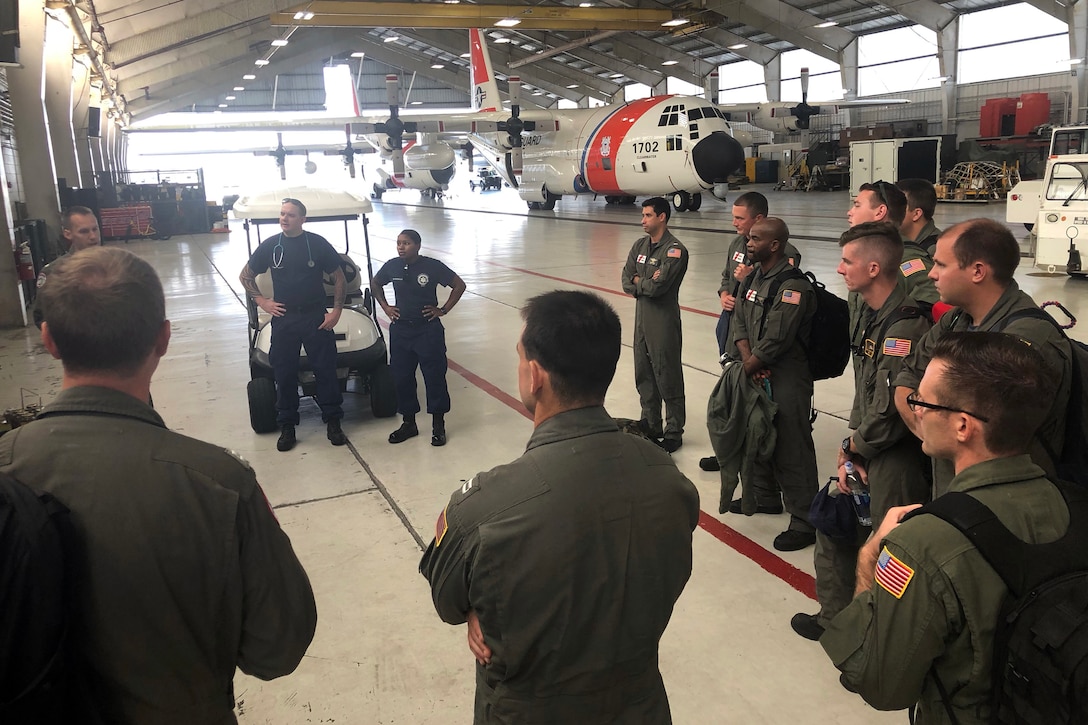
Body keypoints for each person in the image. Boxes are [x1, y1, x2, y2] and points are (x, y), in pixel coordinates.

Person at [1, 247, 317, 723]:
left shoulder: (8, 466)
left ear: (48, 339)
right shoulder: (217, 483)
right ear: (164, 338)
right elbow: (277, 648)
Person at [419, 290, 700, 724]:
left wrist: (480, 607)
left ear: (535, 376)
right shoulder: (669, 481)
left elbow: (447, 601)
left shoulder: (484, 509)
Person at [821, 332, 1068, 723]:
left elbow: (880, 684)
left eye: (922, 402)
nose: (915, 411)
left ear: (963, 427)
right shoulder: (1070, 503)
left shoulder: (923, 543)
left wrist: (870, 561)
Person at [791, 222, 931, 641]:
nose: (839, 269)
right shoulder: (872, 317)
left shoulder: (904, 326)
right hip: (867, 444)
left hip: (894, 456)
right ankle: (837, 620)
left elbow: (891, 409)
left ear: (873, 268)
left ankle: (879, 637)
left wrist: (855, 446)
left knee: (888, 551)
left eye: (848, 261)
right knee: (834, 527)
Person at [893, 218, 1071, 493]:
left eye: (941, 264)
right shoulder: (955, 320)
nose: (931, 274)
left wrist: (933, 429)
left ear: (977, 271)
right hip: (956, 491)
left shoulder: (1028, 342)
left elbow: (984, 440)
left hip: (1001, 504)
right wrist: (932, 430)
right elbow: (906, 376)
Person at [730, 217, 819, 551]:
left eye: (754, 239)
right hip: (757, 368)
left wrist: (752, 364)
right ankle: (765, 496)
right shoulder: (753, 277)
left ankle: (805, 519)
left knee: (791, 444)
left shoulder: (793, 286)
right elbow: (739, 320)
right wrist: (748, 361)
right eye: (748, 238)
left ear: (775, 245)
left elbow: (778, 338)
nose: (748, 244)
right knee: (756, 433)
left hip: (787, 376)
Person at [701, 192, 801, 473]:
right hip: (734, 326)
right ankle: (728, 451)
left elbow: (780, 289)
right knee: (732, 392)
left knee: (758, 402)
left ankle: (758, 461)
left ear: (758, 219)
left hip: (758, 336)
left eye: (739, 218)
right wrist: (724, 293)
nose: (734, 223)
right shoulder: (736, 243)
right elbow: (725, 276)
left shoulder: (785, 253)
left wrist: (751, 277)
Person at [239, 197, 347, 452]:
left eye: (290, 214)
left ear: (302, 219)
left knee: (326, 369)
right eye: (282, 214)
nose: (284, 218)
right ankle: (287, 424)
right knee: (284, 373)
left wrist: (337, 312)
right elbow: (245, 275)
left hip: (315, 317)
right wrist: (262, 301)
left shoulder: (317, 244)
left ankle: (333, 420)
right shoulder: (271, 246)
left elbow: (339, 278)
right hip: (284, 318)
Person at [371, 229, 467, 446]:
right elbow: (376, 283)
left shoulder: (432, 266)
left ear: (417, 245)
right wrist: (386, 307)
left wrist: (443, 309)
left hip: (427, 330)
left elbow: (459, 285)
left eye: (406, 243)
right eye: (398, 243)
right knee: (402, 377)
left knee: (434, 377)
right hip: (401, 331)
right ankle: (409, 423)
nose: (401, 247)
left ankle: (438, 425)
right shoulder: (392, 266)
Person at [621, 196, 689, 452]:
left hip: (662, 319)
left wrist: (641, 282)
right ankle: (651, 423)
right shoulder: (640, 246)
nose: (643, 221)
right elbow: (626, 279)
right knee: (644, 373)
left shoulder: (675, 250)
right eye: (643, 215)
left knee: (667, 373)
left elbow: (659, 288)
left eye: (648, 215)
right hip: (641, 320)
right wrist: (641, 282)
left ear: (662, 217)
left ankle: (674, 431)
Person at [32, 206, 102, 328]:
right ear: (68, 234)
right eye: (84, 231)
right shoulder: (54, 272)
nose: (93, 236)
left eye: (95, 229)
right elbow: (42, 316)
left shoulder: (116, 264)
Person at [896, 178, 942, 255]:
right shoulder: (897, 241)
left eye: (896, 207)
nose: (889, 211)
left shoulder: (935, 250)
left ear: (916, 214)